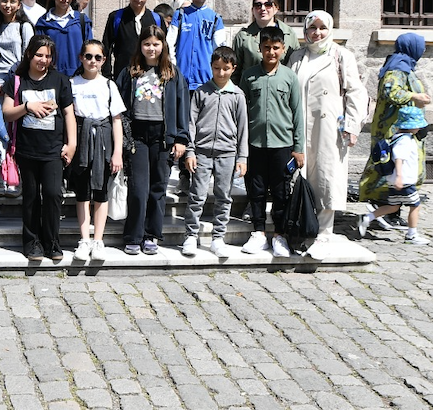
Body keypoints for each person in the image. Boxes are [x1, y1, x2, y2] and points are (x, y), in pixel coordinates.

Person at [287, 11, 368, 258]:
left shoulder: (341, 56)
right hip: (300, 126)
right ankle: (301, 225)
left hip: (330, 127)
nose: (317, 33)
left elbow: (356, 93)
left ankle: (324, 232)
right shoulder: (297, 57)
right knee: (300, 176)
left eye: (323, 28)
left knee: (326, 177)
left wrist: (352, 126)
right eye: (313, 28)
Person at [1, 34, 76, 263]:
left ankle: (51, 241)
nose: (43, 60)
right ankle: (32, 242)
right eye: (39, 55)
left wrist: (72, 143)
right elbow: (6, 113)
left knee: (53, 194)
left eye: (48, 56)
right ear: (29, 55)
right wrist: (27, 106)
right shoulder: (16, 80)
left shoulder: (60, 80)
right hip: (26, 149)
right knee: (31, 197)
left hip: (53, 149)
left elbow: (69, 114)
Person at [114, 25, 189, 255]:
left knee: (158, 188)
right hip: (137, 137)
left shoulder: (172, 74)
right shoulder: (130, 72)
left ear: (163, 45)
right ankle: (133, 235)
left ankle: (151, 235)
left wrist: (181, 138)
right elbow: (118, 105)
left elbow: (182, 107)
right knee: (138, 188)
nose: (151, 48)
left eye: (156, 44)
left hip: (162, 138)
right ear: (140, 45)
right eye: (147, 44)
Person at [239, 26, 305, 258]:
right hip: (255, 144)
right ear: (260, 48)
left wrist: (298, 147)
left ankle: (279, 234)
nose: (271, 52)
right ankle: (258, 232)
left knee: (280, 192)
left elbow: (297, 114)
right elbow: (241, 111)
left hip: (282, 144)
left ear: (283, 49)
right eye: (266, 47)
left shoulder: (289, 77)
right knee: (255, 190)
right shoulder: (249, 76)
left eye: (275, 48)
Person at [181, 46, 248, 258]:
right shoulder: (201, 92)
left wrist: (242, 157)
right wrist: (190, 151)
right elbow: (191, 123)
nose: (221, 73)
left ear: (233, 68)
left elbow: (243, 128)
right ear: (211, 67)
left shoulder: (237, 95)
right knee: (197, 195)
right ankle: (191, 235)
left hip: (227, 153)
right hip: (201, 152)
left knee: (223, 196)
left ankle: (218, 237)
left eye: (225, 68)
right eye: (217, 68)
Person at [359, 32, 430, 225]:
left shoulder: (404, 66)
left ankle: (391, 211)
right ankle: (383, 209)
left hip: (404, 127)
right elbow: (391, 92)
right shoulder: (397, 68)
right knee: (390, 167)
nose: (423, 50)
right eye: (421, 46)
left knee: (401, 168)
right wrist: (415, 97)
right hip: (393, 129)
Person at [68, 39, 125, 263]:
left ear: (103, 60)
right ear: (81, 58)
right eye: (88, 56)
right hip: (80, 136)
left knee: (101, 190)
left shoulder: (109, 85)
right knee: (82, 190)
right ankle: (84, 239)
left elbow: (117, 120)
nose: (93, 61)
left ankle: (98, 239)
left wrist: (117, 152)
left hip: (103, 137)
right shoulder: (72, 84)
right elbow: (68, 116)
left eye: (98, 57)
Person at [358, 105, 430, 245]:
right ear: (412, 126)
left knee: (393, 206)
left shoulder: (397, 137)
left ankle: (367, 218)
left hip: (395, 180)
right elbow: (399, 158)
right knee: (415, 206)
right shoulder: (405, 140)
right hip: (404, 181)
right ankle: (412, 235)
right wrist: (399, 177)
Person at [101, 0, 165, 80]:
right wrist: (108, 77)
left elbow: (164, 49)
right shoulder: (116, 18)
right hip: (123, 78)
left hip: (151, 79)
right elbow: (106, 48)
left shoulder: (157, 19)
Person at [170, 0, 227, 92]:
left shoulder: (215, 18)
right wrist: (173, 67)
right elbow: (169, 44)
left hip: (206, 80)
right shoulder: (180, 15)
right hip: (181, 79)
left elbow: (220, 49)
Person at [232, 0, 300, 82]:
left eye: (268, 5)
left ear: (276, 8)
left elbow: (296, 65)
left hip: (281, 86)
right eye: (258, 5)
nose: (263, 8)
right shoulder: (243, 37)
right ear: (253, 10)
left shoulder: (289, 34)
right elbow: (235, 71)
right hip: (251, 87)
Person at [34, 0, 92, 76]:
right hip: (51, 77)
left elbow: (90, 50)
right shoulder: (43, 23)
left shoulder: (82, 21)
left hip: (78, 77)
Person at [0, 0, 34, 90]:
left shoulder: (24, 27)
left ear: (19, 5)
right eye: (4, 1)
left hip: (17, 77)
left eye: (12, 2)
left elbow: (28, 56)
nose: (8, 5)